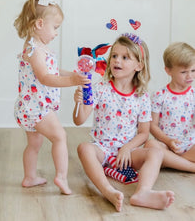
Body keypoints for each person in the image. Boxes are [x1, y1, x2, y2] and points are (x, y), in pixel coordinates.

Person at [73, 33, 175, 212]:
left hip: (128, 152)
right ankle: (108, 191)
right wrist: (79, 102)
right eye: (114, 56)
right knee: (84, 148)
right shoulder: (100, 89)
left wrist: (127, 148)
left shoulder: (141, 96)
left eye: (125, 57)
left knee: (156, 153)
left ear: (139, 66)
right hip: (102, 150)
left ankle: (142, 192)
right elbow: (79, 120)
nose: (117, 61)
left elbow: (144, 133)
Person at [14, 0, 90, 194]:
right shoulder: (34, 50)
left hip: (31, 106)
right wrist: (71, 81)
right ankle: (62, 177)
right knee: (60, 136)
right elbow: (45, 78)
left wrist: (71, 74)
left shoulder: (37, 47)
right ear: (39, 24)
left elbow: (53, 72)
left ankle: (30, 177)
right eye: (55, 28)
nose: (56, 33)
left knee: (34, 143)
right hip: (37, 107)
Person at [145, 42, 195, 172]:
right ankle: (189, 166)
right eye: (184, 72)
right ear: (168, 70)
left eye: (193, 70)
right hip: (166, 144)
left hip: (190, 145)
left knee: (155, 157)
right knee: (151, 145)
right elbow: (152, 126)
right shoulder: (160, 95)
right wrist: (168, 141)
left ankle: (172, 161)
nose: (190, 76)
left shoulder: (193, 94)